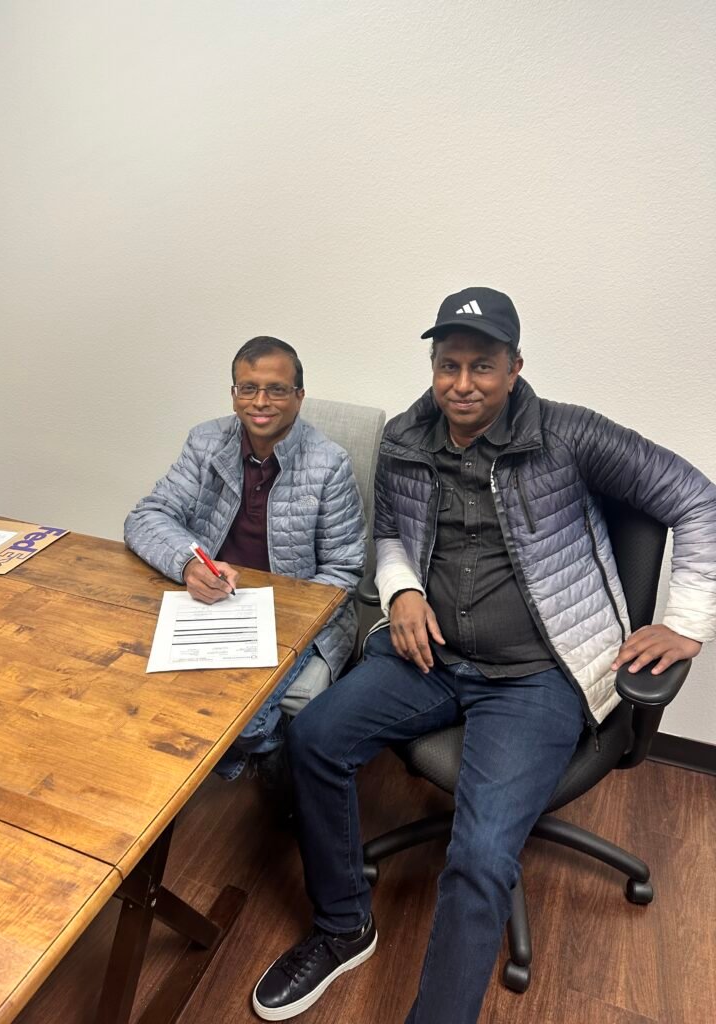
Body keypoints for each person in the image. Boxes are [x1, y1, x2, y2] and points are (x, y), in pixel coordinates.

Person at [251, 288, 716, 1023]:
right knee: (313, 737)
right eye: (449, 365)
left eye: (482, 366)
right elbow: (389, 535)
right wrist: (402, 591)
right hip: (432, 655)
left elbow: (697, 498)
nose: (462, 383)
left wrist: (686, 624)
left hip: (535, 676)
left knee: (479, 855)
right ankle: (343, 927)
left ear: (514, 367)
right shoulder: (406, 439)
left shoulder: (569, 435)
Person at [125, 336, 366, 782]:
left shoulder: (329, 463)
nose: (260, 402)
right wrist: (190, 566)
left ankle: (265, 755)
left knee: (244, 724)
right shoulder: (205, 441)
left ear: (299, 396)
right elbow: (147, 517)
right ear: (233, 393)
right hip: (213, 601)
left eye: (276, 389)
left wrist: (279, 616)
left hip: (295, 617)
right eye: (248, 388)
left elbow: (344, 570)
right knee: (131, 677)